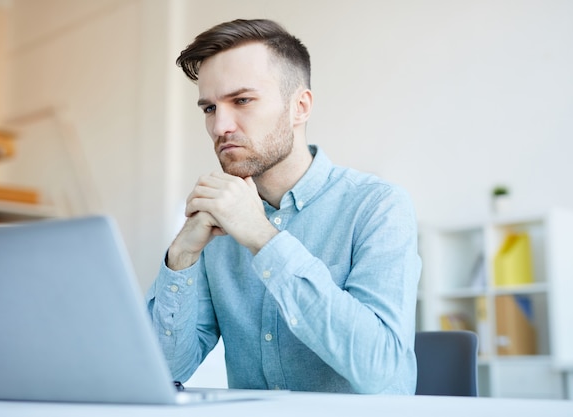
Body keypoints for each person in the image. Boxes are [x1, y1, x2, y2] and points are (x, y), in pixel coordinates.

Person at [146, 18, 421, 395]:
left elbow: (379, 369)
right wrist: (181, 256)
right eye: (209, 108)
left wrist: (261, 236)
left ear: (300, 107)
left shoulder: (378, 206)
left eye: (242, 100)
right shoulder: (214, 226)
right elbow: (164, 370)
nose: (220, 125)